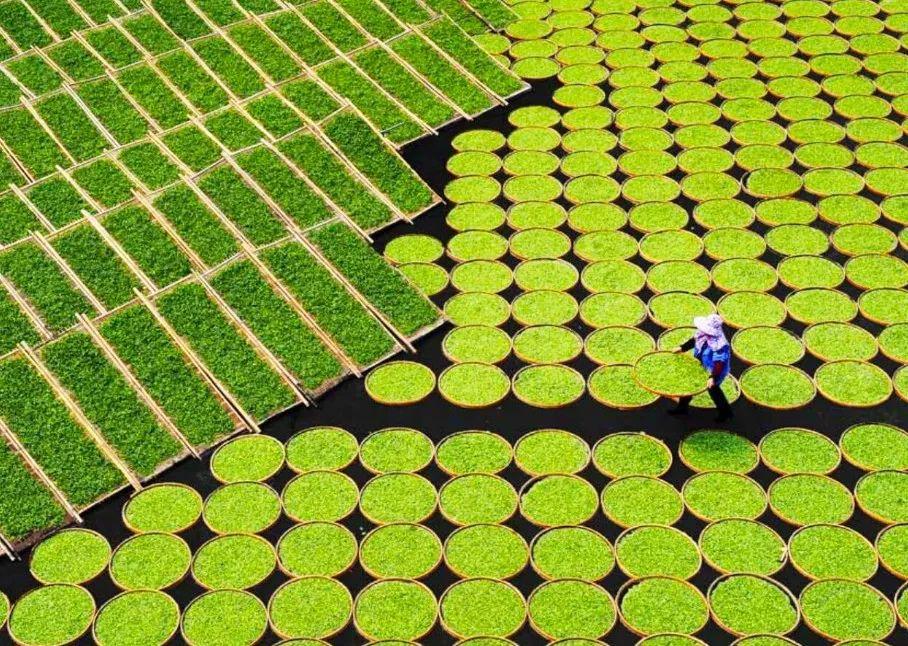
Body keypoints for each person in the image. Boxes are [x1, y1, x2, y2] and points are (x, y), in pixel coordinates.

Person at [668, 313, 733, 423]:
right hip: (700, 363)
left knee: (713, 389)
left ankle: (726, 413)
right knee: (690, 384)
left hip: (715, 369)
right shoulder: (703, 333)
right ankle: (682, 408)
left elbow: (719, 362)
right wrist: (682, 348)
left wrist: (712, 377)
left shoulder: (720, 345)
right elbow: (694, 340)